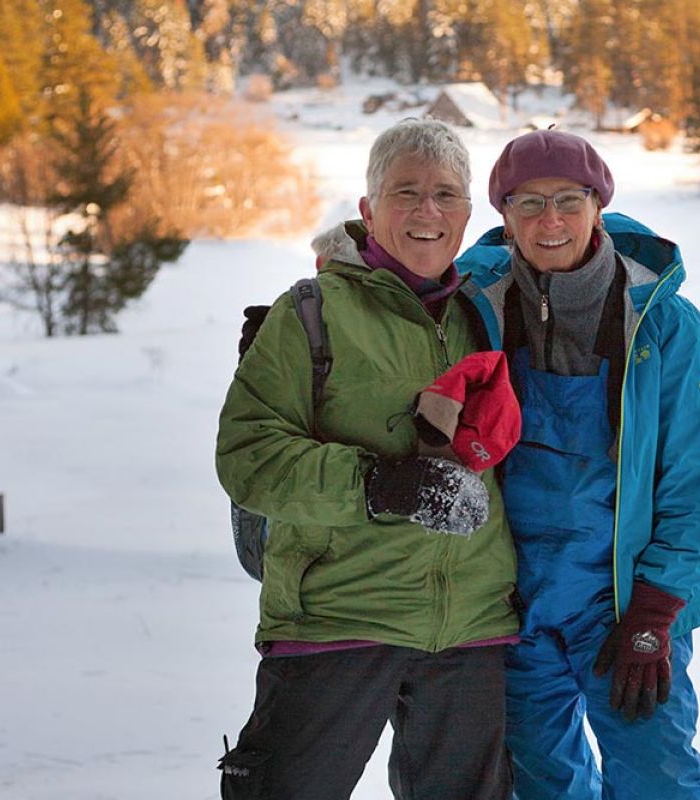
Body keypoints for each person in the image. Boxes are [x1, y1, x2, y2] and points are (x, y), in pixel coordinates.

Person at [215, 119, 517, 800]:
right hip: (337, 615)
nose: (427, 211)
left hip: (471, 628)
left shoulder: (489, 315)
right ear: (368, 208)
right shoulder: (311, 313)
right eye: (405, 192)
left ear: (468, 213)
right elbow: (248, 456)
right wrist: (380, 484)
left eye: (446, 194)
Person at [456, 130, 700, 799]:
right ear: (505, 217)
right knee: (545, 785)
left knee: (659, 780)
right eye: (529, 203)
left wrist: (656, 611)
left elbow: (691, 481)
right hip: (514, 602)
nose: (550, 220)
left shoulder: (663, 323)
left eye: (568, 201)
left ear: (598, 206)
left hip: (625, 603)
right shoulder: (474, 310)